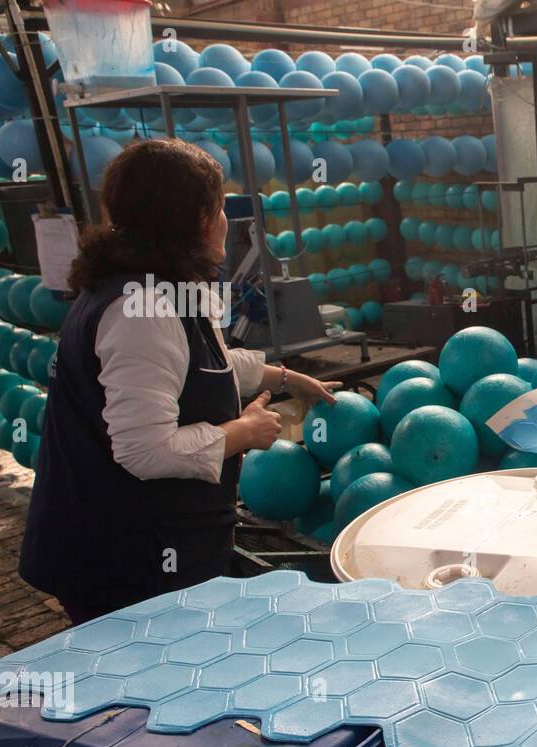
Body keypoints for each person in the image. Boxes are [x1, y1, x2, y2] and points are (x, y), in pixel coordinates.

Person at [19, 139, 337, 624]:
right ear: (193, 220)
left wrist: (286, 377)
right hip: (122, 564)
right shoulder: (141, 311)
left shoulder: (155, 287)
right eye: (218, 205)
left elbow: (196, 363)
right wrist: (243, 433)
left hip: (143, 548)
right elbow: (146, 450)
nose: (227, 219)